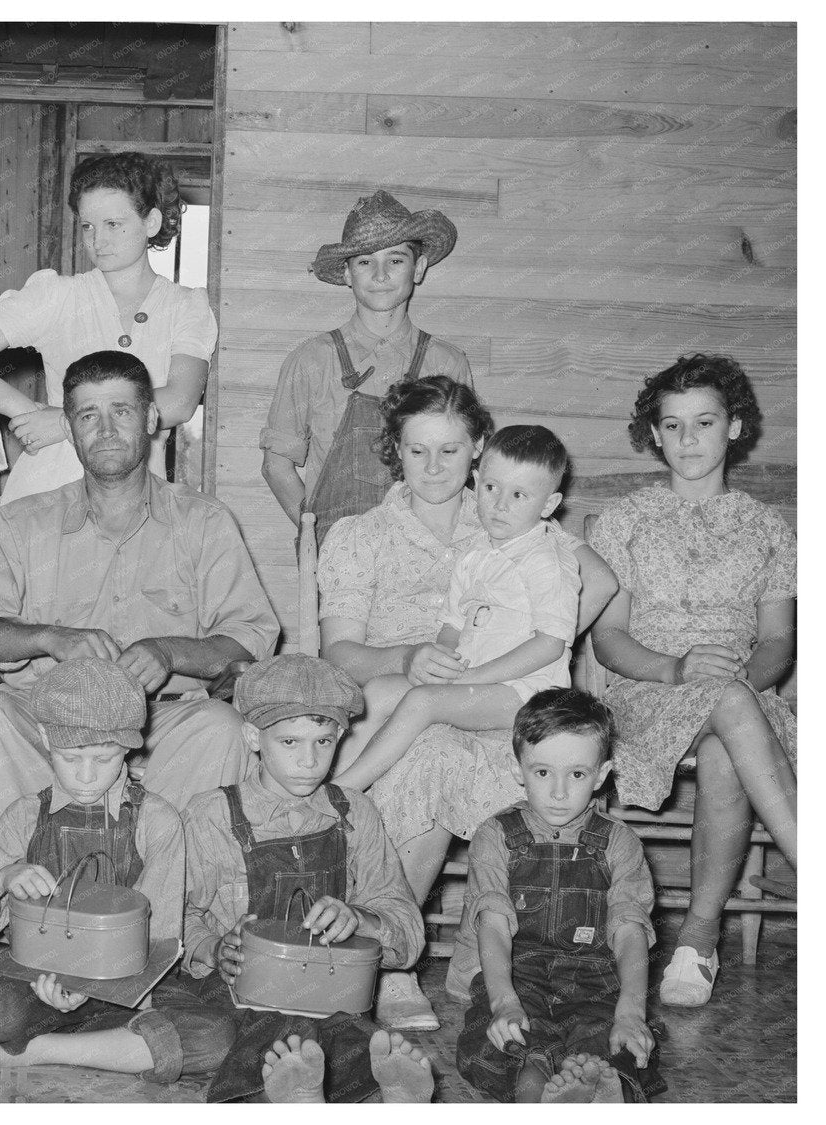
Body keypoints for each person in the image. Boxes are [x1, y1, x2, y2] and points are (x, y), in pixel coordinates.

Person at [316, 376, 617, 1031]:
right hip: (394, 704)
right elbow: (339, 653)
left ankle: (459, 960)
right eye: (417, 450)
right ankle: (394, 963)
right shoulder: (359, 535)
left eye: (450, 452)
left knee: (485, 751)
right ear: (395, 449)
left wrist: (538, 652)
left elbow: (598, 580)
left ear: (478, 448)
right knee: (430, 744)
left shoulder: (511, 515)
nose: (433, 468)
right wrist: (405, 656)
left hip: (500, 703)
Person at [0, 350, 279, 873]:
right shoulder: (22, 521)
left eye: (121, 411)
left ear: (149, 419)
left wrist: (170, 652)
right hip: (46, 723)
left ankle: (173, 913)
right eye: (87, 415)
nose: (105, 429)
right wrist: (47, 638)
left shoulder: (204, 522)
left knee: (220, 725)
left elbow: (251, 636)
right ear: (70, 429)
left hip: (159, 726)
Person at [0, 659, 232, 1085]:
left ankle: (37, 1048)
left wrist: (90, 989)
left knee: (216, 1037)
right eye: (69, 757)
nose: (86, 775)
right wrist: (0, 880)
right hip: (39, 975)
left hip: (131, 983)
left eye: (103, 758)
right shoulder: (26, 815)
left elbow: (159, 940)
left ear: (130, 747)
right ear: (45, 738)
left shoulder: (158, 820)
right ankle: (96, 1041)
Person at [588, 354, 796, 1008]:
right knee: (729, 717)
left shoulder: (769, 528)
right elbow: (609, 638)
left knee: (724, 745)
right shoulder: (622, 520)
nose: (688, 440)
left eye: (704, 422)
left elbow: (778, 642)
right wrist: (678, 669)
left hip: (741, 697)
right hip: (647, 692)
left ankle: (696, 938)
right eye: (672, 425)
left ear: (734, 426)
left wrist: (737, 677)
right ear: (653, 434)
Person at [181, 655, 433, 1104]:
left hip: (327, 995)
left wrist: (361, 919)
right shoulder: (213, 816)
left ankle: (327, 1095)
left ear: (340, 736)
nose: (309, 760)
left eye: (323, 741)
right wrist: (214, 947)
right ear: (253, 737)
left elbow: (408, 936)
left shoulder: (354, 813)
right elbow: (176, 918)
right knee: (244, 1038)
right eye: (290, 742)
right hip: (239, 997)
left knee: (342, 1039)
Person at [0, 152, 216, 507]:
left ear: (152, 222)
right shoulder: (57, 295)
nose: (98, 240)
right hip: (49, 491)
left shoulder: (185, 306)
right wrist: (27, 413)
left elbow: (179, 401)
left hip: (139, 499)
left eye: (113, 224)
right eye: (88, 226)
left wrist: (67, 420)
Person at [334, 425, 579, 792]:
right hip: (473, 681)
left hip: (528, 694)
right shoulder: (477, 551)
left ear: (548, 505)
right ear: (476, 481)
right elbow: (452, 624)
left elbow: (550, 645)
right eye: (491, 488)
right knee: (379, 692)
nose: (499, 505)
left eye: (518, 495)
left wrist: (472, 678)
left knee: (422, 702)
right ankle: (332, 781)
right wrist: (442, 663)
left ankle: (342, 792)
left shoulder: (547, 560)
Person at [454, 687, 664, 1103]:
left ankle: (601, 1084)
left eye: (578, 774)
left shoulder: (619, 843)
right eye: (543, 772)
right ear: (518, 770)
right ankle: (533, 1082)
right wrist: (503, 1002)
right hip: (517, 971)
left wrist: (630, 1014)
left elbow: (629, 931)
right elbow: (493, 925)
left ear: (602, 775)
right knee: (496, 1037)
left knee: (620, 1044)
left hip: (595, 977)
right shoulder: (495, 836)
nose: (559, 792)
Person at [261, 190, 470, 542]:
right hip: (337, 562)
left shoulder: (447, 363)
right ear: (346, 273)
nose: (381, 274)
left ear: (418, 268)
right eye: (364, 262)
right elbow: (276, 465)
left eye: (396, 260)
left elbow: (463, 464)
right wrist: (318, 535)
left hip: (424, 556)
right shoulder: (311, 360)